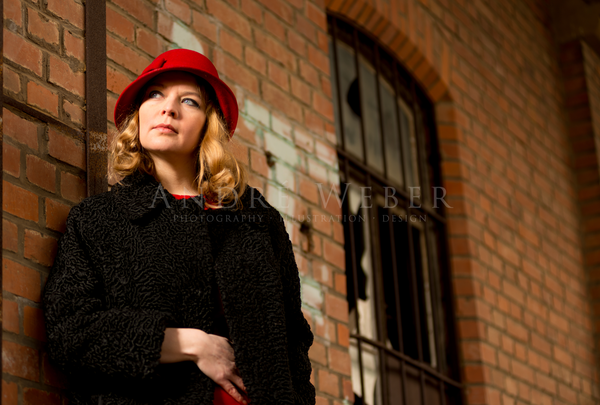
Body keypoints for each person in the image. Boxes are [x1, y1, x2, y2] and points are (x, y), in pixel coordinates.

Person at [42, 49, 316, 405]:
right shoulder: (99, 220)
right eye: (155, 94)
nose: (168, 108)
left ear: (209, 124)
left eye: (189, 101)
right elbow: (70, 334)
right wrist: (192, 344)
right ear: (138, 114)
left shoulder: (256, 220)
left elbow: (293, 338)